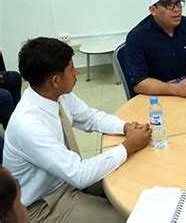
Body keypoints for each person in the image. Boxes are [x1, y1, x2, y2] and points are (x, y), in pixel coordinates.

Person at [3, 37, 151, 223]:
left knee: (137, 178)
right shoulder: (29, 125)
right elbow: (79, 175)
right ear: (56, 80)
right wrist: (128, 146)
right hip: (44, 204)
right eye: (71, 68)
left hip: (66, 178)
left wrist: (125, 127)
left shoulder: (54, 95)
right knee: (128, 217)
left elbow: (90, 117)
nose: (77, 73)